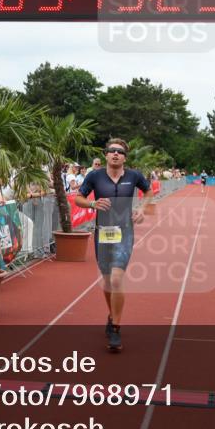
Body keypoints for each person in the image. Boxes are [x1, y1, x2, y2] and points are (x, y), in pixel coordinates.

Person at [74, 138, 150, 352]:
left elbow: (149, 192)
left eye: (120, 151)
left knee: (117, 279)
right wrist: (91, 203)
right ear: (106, 155)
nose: (115, 154)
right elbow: (79, 198)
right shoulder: (94, 176)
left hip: (125, 232)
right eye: (111, 151)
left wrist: (142, 209)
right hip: (103, 233)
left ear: (125, 157)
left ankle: (115, 328)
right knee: (107, 281)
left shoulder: (134, 176)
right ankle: (111, 315)